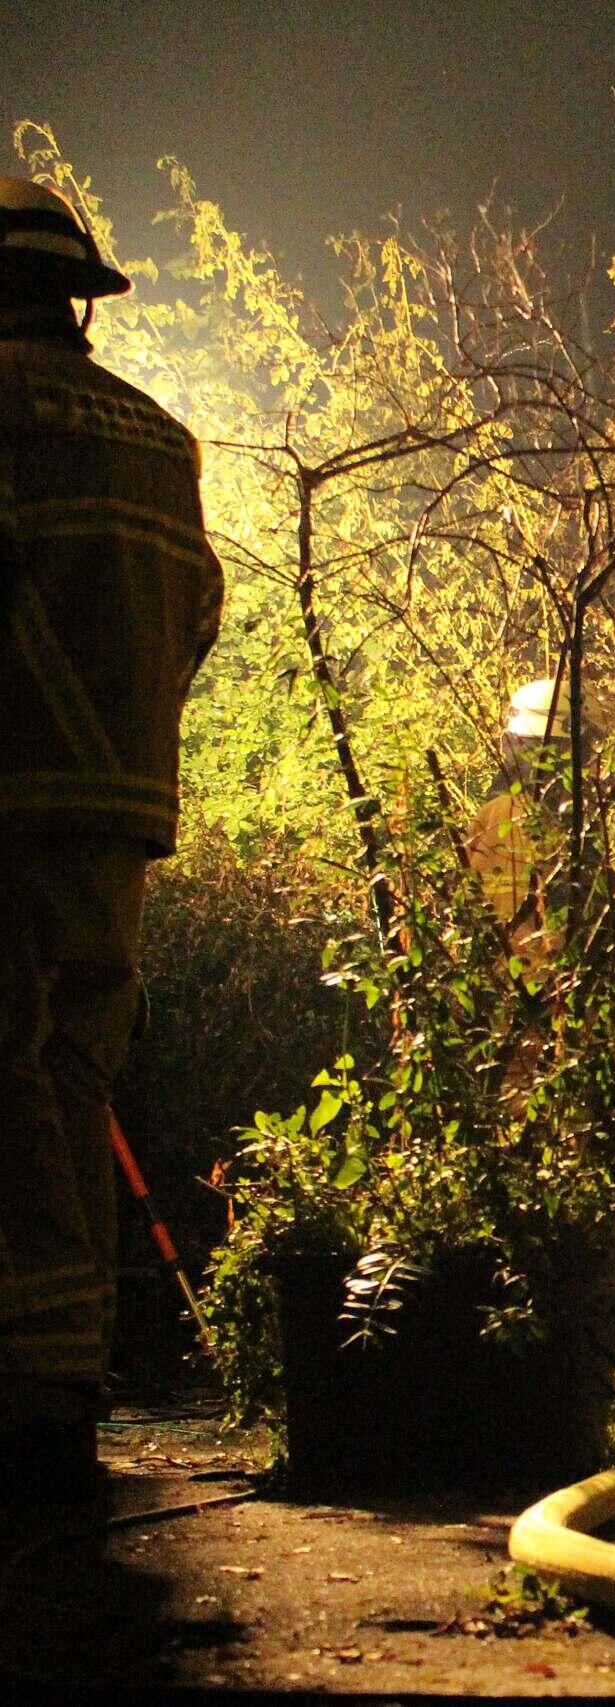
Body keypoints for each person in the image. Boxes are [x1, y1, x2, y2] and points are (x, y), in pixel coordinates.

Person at [0, 177, 224, 1490]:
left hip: (12, 789)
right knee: (74, 1072)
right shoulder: (161, 436)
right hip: (120, 805)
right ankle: (66, 1374)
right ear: (79, 294)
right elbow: (195, 609)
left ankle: (26, 1397)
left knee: (7, 1077)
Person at [462, 677, 611, 1096]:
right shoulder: (559, 828)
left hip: (498, 1020)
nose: (594, 764)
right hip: (551, 1023)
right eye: (588, 749)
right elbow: (592, 925)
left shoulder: (487, 819)